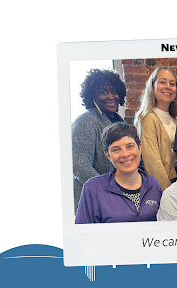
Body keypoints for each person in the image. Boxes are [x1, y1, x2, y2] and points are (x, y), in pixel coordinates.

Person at [75, 122, 163, 223]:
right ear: (108, 156)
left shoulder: (153, 184)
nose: (125, 154)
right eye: (116, 149)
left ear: (139, 148)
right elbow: (83, 235)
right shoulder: (93, 189)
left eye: (130, 146)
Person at [72, 68, 127, 213]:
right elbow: (80, 166)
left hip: (118, 200)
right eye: (103, 92)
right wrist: (110, 191)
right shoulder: (86, 121)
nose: (111, 96)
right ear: (93, 96)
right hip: (94, 202)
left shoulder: (118, 121)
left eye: (114, 92)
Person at [134, 67, 177, 190]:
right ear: (152, 87)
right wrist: (167, 190)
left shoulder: (175, 119)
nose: (168, 86)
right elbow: (152, 162)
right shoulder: (148, 118)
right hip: (162, 184)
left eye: (172, 84)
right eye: (162, 82)